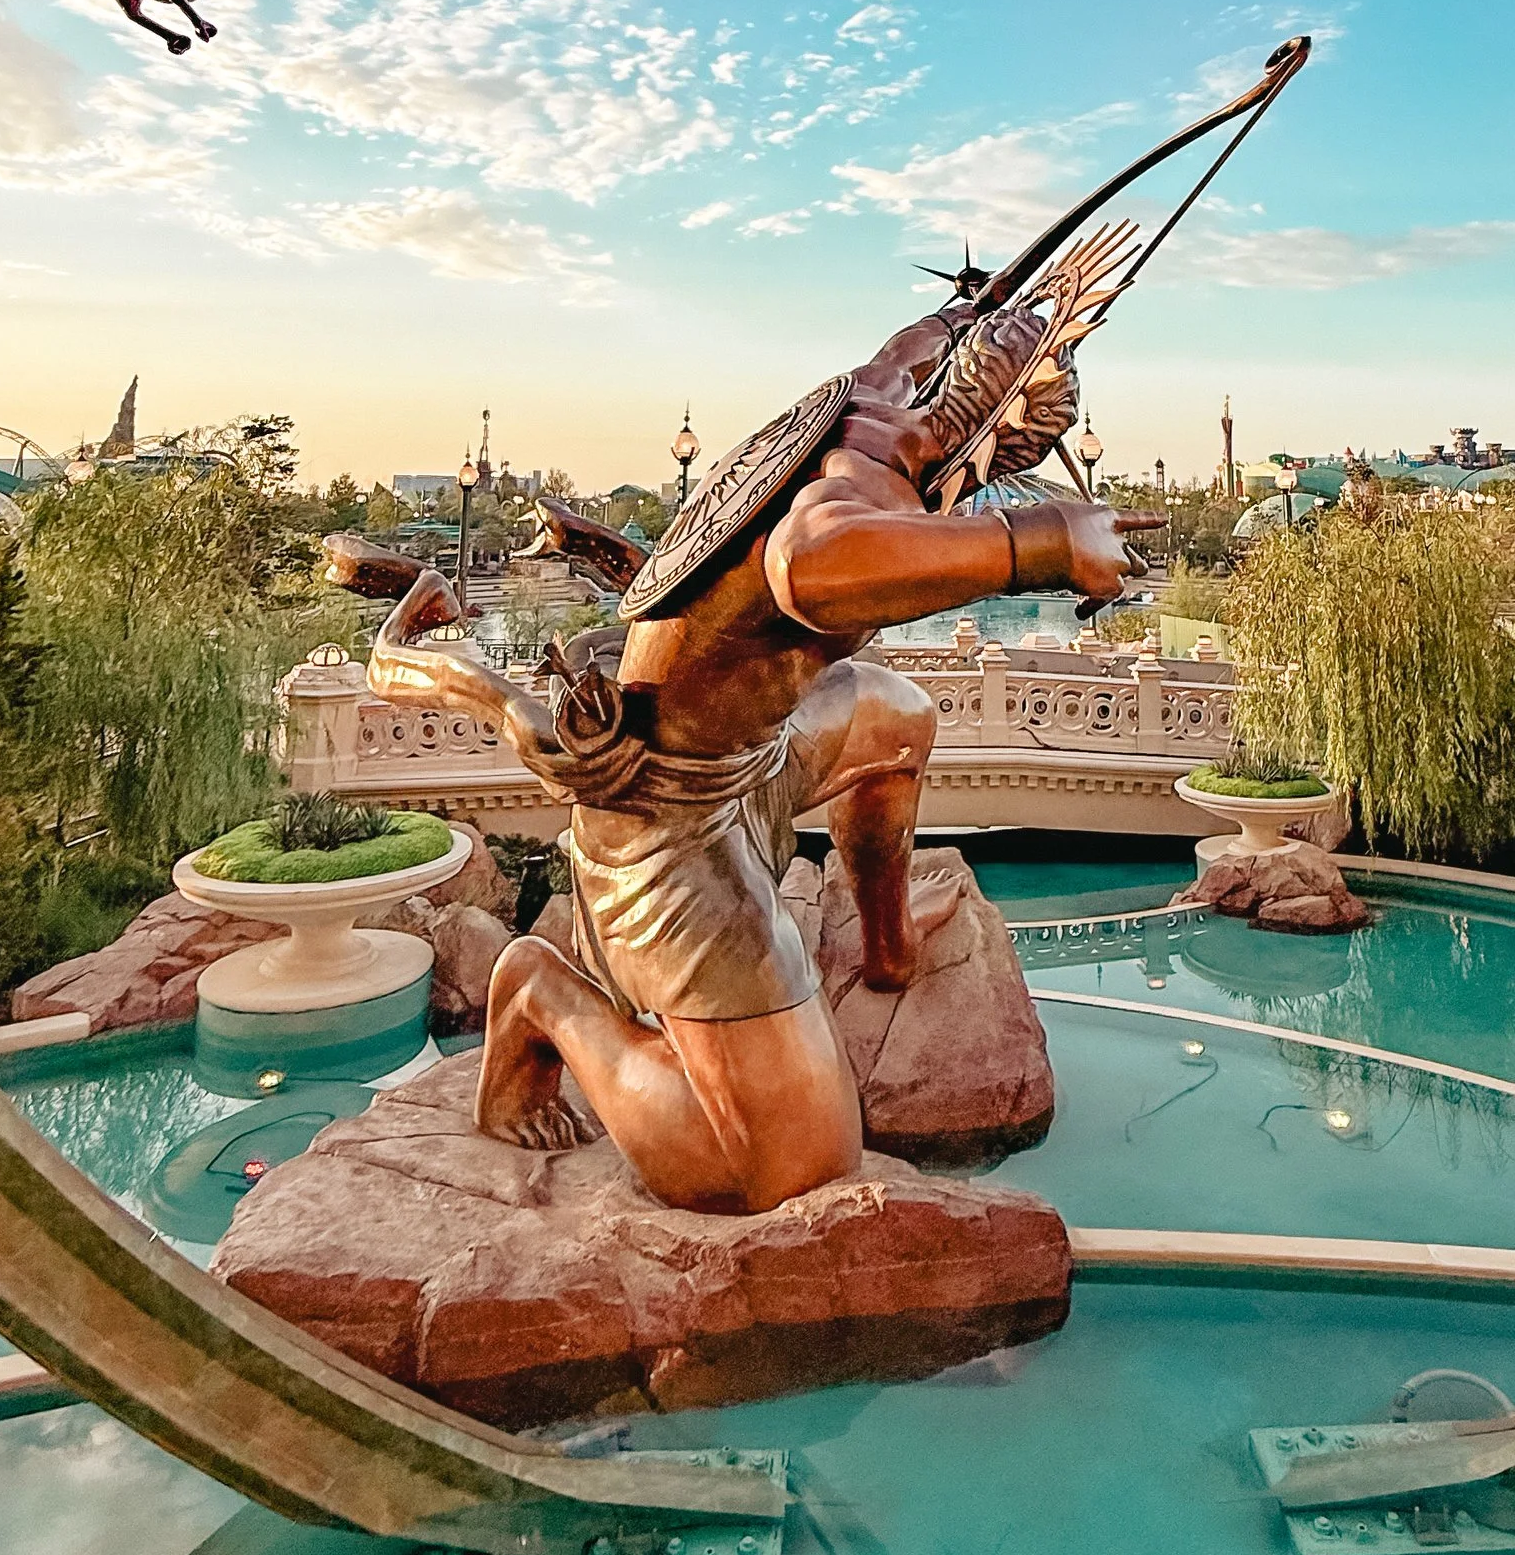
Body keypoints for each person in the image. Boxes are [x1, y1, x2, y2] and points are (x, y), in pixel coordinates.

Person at [364, 295, 1124, 1214]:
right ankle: (543, 995)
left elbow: (914, 338)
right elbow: (812, 558)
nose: (997, 482)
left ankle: (887, 948)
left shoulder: (880, 391)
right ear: (988, 440)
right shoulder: (871, 480)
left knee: (898, 717)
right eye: (1014, 459)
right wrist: (1040, 543)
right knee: (781, 1166)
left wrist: (977, 310)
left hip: (754, 751)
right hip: (663, 817)